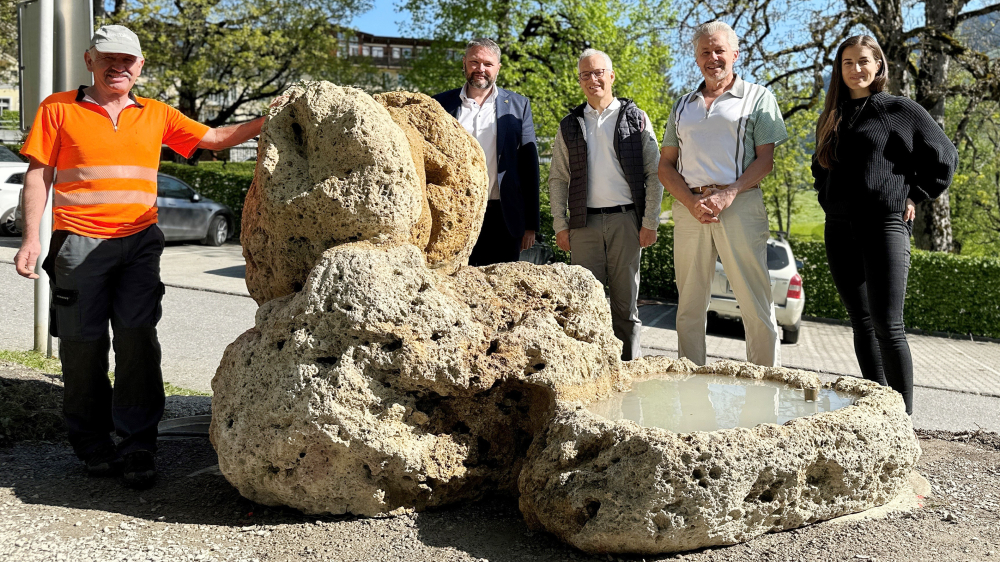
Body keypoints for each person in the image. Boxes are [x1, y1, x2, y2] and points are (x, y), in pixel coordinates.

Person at [14, 25, 265, 488]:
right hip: (77, 243)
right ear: (89, 60)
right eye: (109, 58)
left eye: (128, 60)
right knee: (82, 348)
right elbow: (37, 176)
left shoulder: (157, 114)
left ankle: (137, 446)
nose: (119, 67)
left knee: (136, 342)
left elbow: (215, 138)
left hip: (138, 243)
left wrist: (272, 118)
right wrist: (32, 238)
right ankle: (92, 445)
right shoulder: (59, 108)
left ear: (140, 67)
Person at [811, 35, 957, 416]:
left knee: (887, 326)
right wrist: (830, 201)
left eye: (863, 61)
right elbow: (819, 169)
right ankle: (877, 416)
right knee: (861, 323)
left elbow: (944, 155)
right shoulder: (833, 116)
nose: (855, 69)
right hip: (839, 228)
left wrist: (916, 193)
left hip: (885, 225)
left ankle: (903, 420)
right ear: (839, 70)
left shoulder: (898, 110)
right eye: (847, 62)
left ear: (878, 65)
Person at [658, 20, 787, 367]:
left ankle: (765, 388)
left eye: (719, 50)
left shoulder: (759, 97)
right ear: (696, 58)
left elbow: (766, 161)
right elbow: (665, 166)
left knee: (755, 303)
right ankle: (690, 386)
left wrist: (728, 194)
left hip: (740, 205)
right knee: (688, 306)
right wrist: (690, 202)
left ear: (735, 54)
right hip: (689, 210)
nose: (712, 57)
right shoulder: (682, 105)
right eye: (705, 51)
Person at [549, 49, 664, 361]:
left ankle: (629, 368)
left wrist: (650, 221)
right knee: (585, 304)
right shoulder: (569, 125)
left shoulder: (636, 119)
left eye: (598, 72)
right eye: (585, 74)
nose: (593, 79)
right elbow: (558, 178)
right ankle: (591, 369)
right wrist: (560, 223)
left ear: (611, 76)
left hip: (627, 222)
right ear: (579, 81)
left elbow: (656, 173)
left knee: (626, 306)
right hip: (583, 226)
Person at [432, 38, 540, 266]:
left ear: (498, 67)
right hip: (455, 212)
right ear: (464, 63)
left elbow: (529, 166)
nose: (481, 69)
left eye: (488, 64)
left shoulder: (519, 106)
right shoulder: (440, 105)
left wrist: (531, 224)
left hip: (504, 215)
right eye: (475, 62)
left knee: (502, 291)